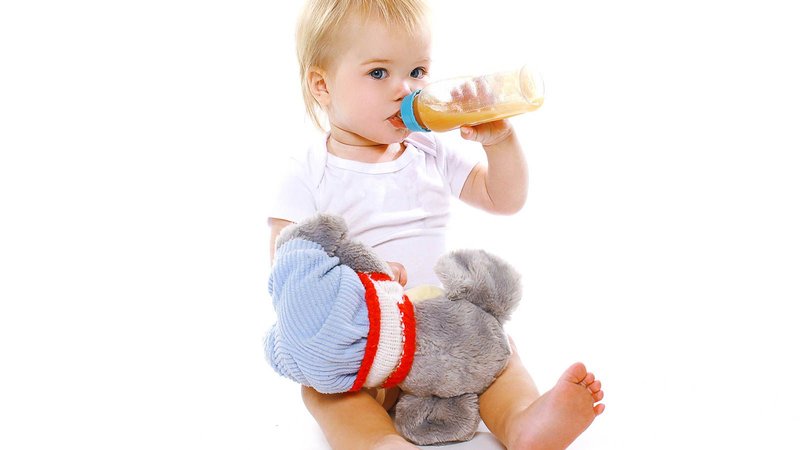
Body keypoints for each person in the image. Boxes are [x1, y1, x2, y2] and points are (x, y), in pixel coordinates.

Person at [268, 1, 605, 448]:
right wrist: (366, 279)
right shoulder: (307, 174)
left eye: (418, 71)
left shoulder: (428, 151)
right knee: (327, 391)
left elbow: (503, 199)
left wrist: (500, 142)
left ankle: (523, 421)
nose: (405, 90)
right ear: (322, 84)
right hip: (366, 342)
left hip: (443, 336)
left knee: (499, 353)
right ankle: (378, 442)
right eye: (378, 73)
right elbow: (289, 272)